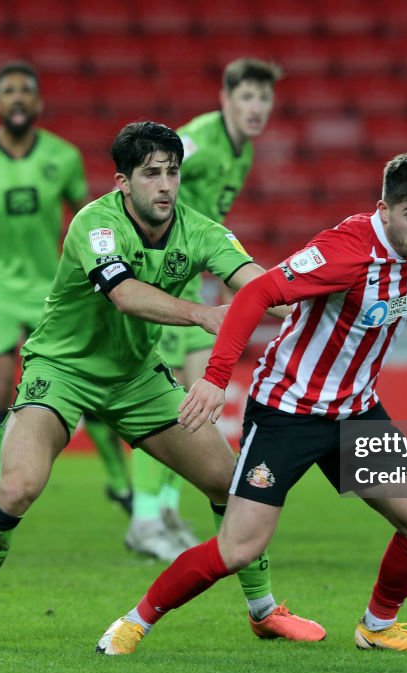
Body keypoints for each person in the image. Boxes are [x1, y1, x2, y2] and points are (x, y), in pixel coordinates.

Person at [0, 121, 323, 648]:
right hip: (61, 369)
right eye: (151, 173)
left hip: (136, 378)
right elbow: (125, 294)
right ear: (123, 182)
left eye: (173, 173)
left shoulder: (200, 230)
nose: (165, 185)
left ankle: (263, 610)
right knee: (18, 486)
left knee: (231, 484)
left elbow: (258, 280)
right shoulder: (95, 225)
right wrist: (203, 315)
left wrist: (311, 289)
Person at [97, 152, 407, 655]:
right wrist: (216, 377)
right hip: (289, 411)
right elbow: (256, 295)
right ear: (384, 207)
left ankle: (377, 626)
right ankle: (135, 622)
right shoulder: (345, 251)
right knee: (240, 548)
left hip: (354, 413)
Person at [0, 61, 131, 510]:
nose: (18, 98)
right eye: (9, 91)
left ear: (38, 103)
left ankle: (121, 482)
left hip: (49, 285)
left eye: (26, 91)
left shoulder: (63, 158)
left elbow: (90, 218)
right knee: (0, 382)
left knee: (85, 376)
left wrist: (98, 271)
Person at [126, 57, 284, 561]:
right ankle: (144, 517)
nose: (256, 108)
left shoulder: (244, 153)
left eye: (263, 98)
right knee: (165, 399)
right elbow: (147, 176)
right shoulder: (195, 141)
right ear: (225, 99)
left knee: (195, 403)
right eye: (247, 98)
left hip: (194, 282)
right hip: (165, 281)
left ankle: (166, 509)